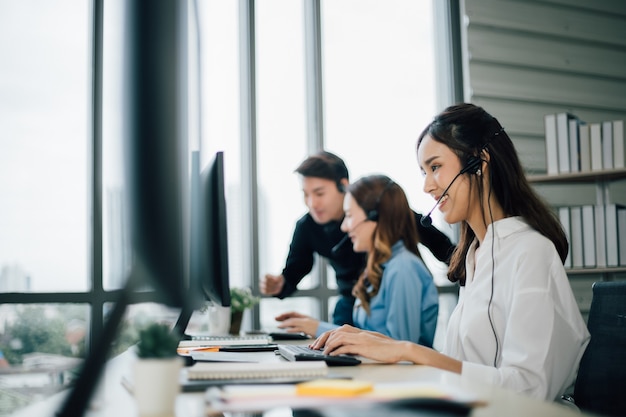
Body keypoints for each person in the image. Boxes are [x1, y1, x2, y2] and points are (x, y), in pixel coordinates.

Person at [310, 103, 590, 402]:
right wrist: (378, 343)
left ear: (478, 162)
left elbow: (530, 387)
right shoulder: (475, 255)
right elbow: (466, 365)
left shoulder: (530, 251)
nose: (428, 186)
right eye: (424, 172)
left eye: (435, 167)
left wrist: (406, 350)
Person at [261, 151, 454, 326]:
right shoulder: (307, 225)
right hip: (351, 299)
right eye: (306, 195)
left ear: (343, 186)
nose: (312, 203)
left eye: (319, 193)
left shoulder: (375, 210)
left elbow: (437, 242)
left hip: (389, 296)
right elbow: (296, 267)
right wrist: (281, 285)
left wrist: (463, 268)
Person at [275, 174, 439, 347]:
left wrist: (318, 328)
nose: (344, 227)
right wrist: (315, 327)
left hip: (402, 374)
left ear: (375, 217)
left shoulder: (403, 268)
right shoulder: (380, 267)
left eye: (349, 216)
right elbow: (368, 337)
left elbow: (401, 349)